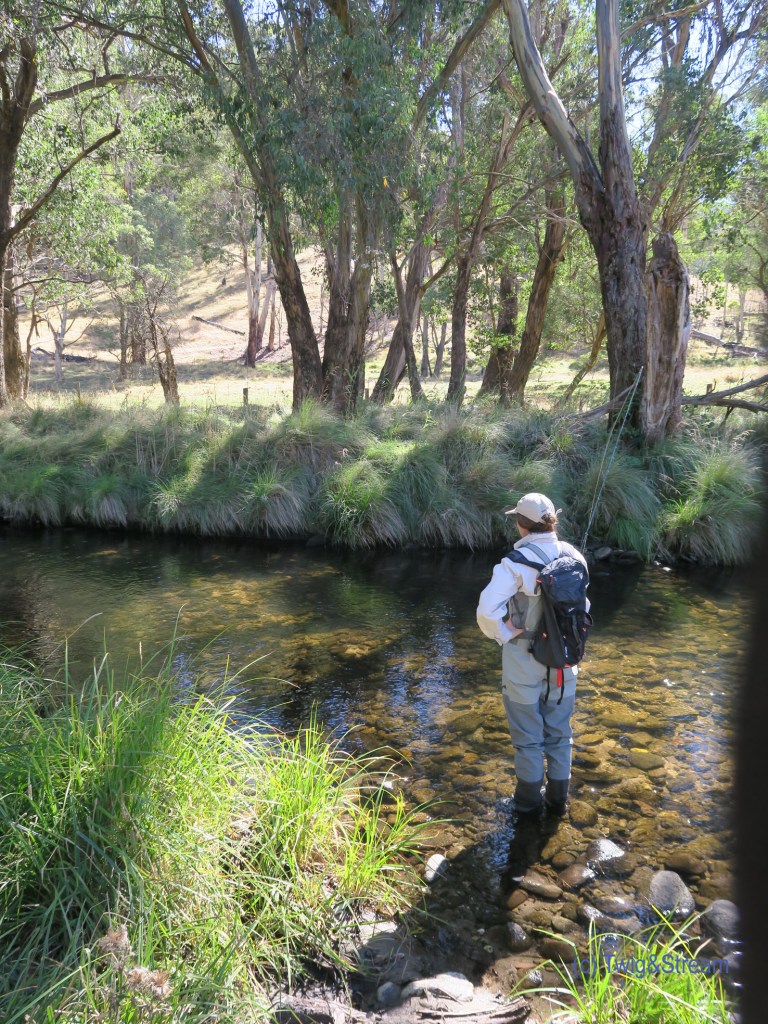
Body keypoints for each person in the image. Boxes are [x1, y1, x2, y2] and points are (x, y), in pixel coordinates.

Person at [476, 492, 589, 816]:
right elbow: (584, 608)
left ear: (521, 524)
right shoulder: (575, 557)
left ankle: (527, 803)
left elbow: (486, 611)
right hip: (564, 661)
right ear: (553, 521)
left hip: (523, 660)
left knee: (528, 738)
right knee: (560, 734)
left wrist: (503, 633)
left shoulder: (513, 564)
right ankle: (557, 801)